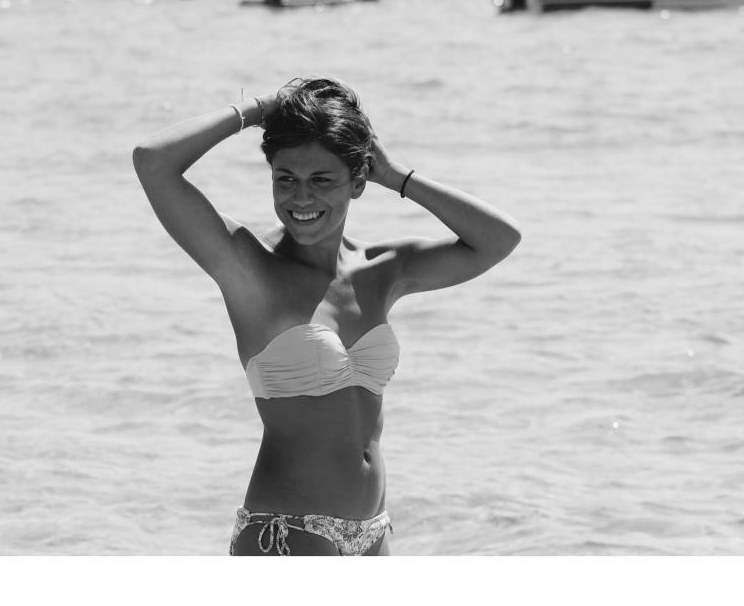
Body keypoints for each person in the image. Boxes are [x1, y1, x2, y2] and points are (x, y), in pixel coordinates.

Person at [132, 78, 521, 555]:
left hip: (372, 534)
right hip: (287, 533)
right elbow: (153, 161)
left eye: (321, 180)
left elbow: (499, 240)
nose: (301, 198)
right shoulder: (249, 267)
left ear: (358, 182)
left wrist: (396, 175)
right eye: (285, 179)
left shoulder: (381, 270)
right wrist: (261, 108)